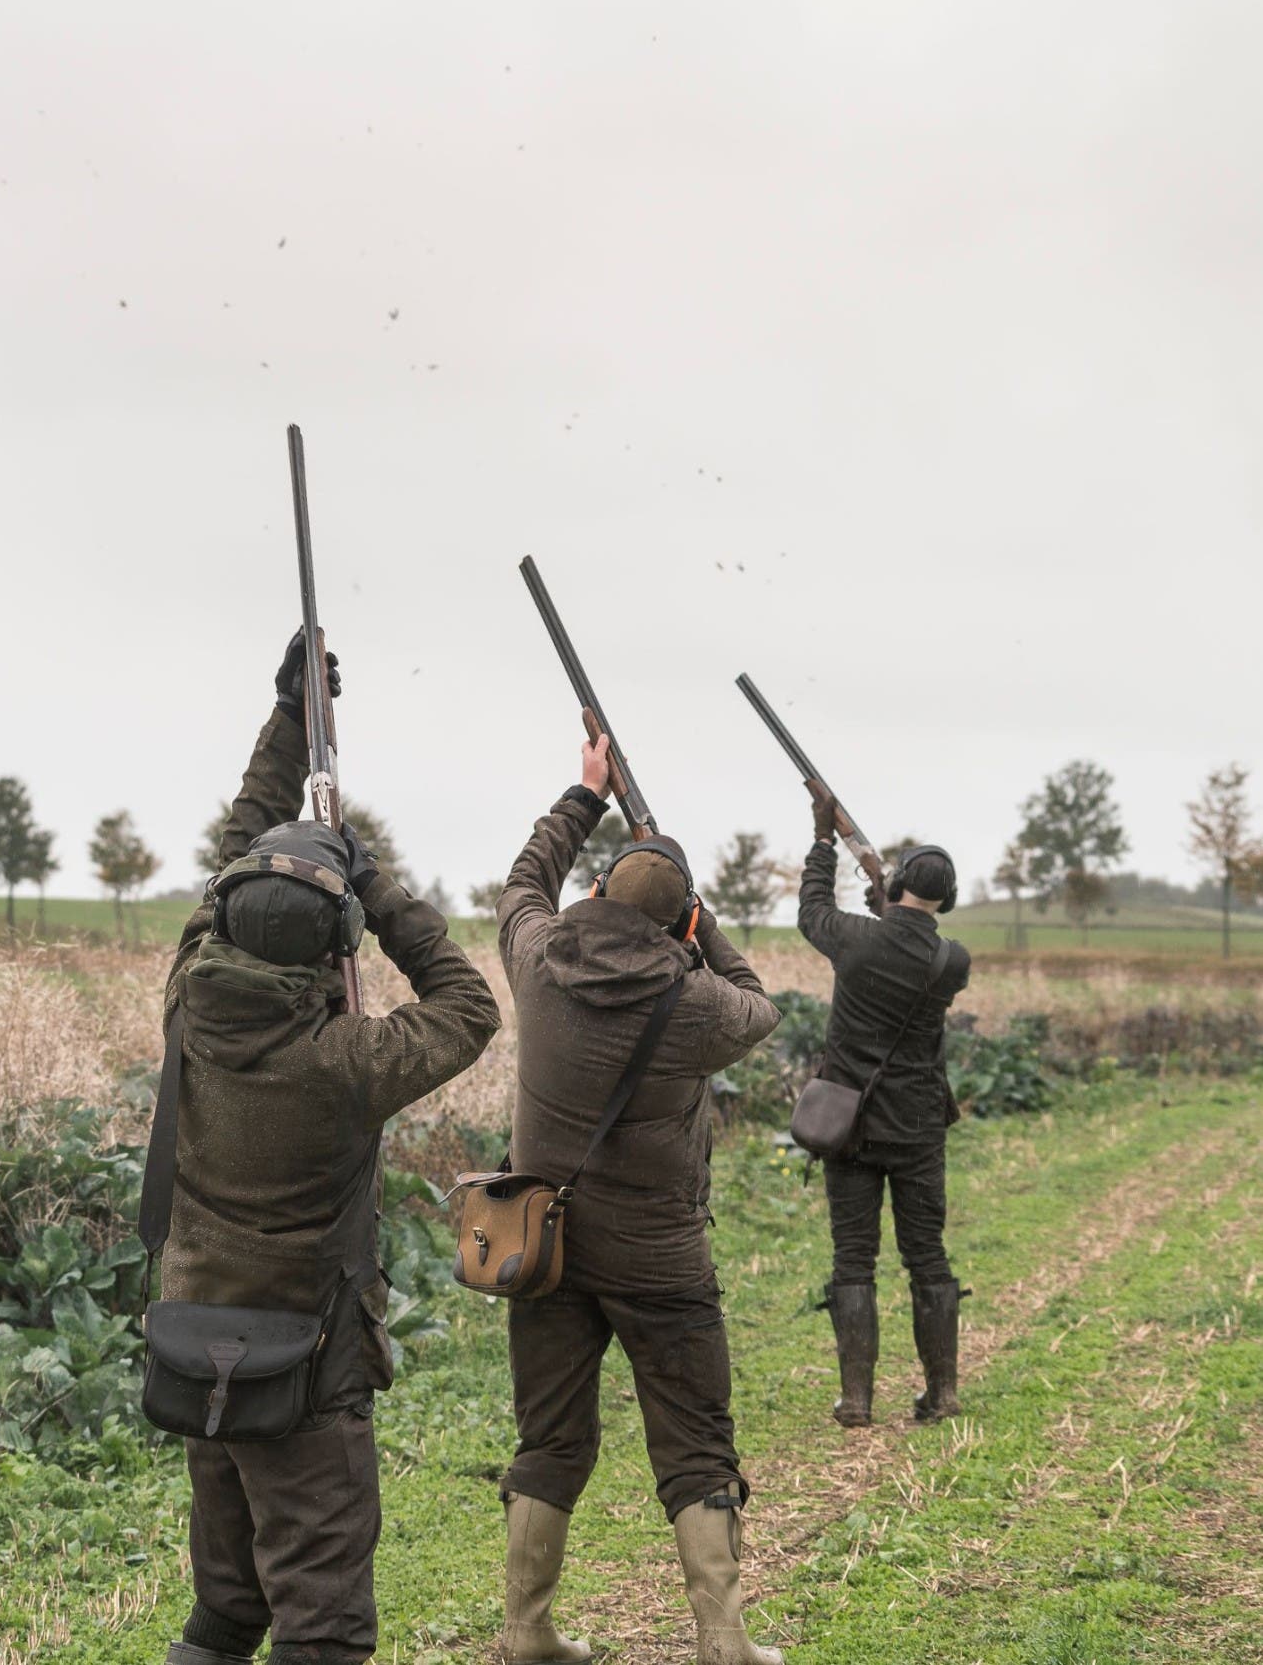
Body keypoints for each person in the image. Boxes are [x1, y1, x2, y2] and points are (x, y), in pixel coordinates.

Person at [160, 633, 501, 1665]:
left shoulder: (189, 998)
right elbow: (470, 1004)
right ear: (334, 942)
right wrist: (375, 881)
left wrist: (287, 715)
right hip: (305, 1362)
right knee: (325, 1624)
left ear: (221, 924)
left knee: (226, 1608)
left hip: (196, 1337)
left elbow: (237, 844)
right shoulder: (345, 1061)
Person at [494, 732, 785, 1665]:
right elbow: (758, 1000)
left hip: (544, 1242)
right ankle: (724, 1644)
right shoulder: (695, 1003)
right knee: (694, 1439)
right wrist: (699, 927)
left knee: (549, 1435)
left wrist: (584, 798)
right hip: (660, 1254)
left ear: (592, 897)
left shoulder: (538, 964)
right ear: (681, 926)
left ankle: (526, 1631)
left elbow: (520, 886)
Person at [796, 785, 972, 1430]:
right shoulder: (953, 960)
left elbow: (813, 909)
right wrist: (892, 903)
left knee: (853, 1258)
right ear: (946, 900)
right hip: (920, 1126)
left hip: (851, 1126)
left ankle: (857, 1402)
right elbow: (914, 942)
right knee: (927, 1255)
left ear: (896, 884)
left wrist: (822, 839)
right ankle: (943, 1393)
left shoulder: (856, 940)